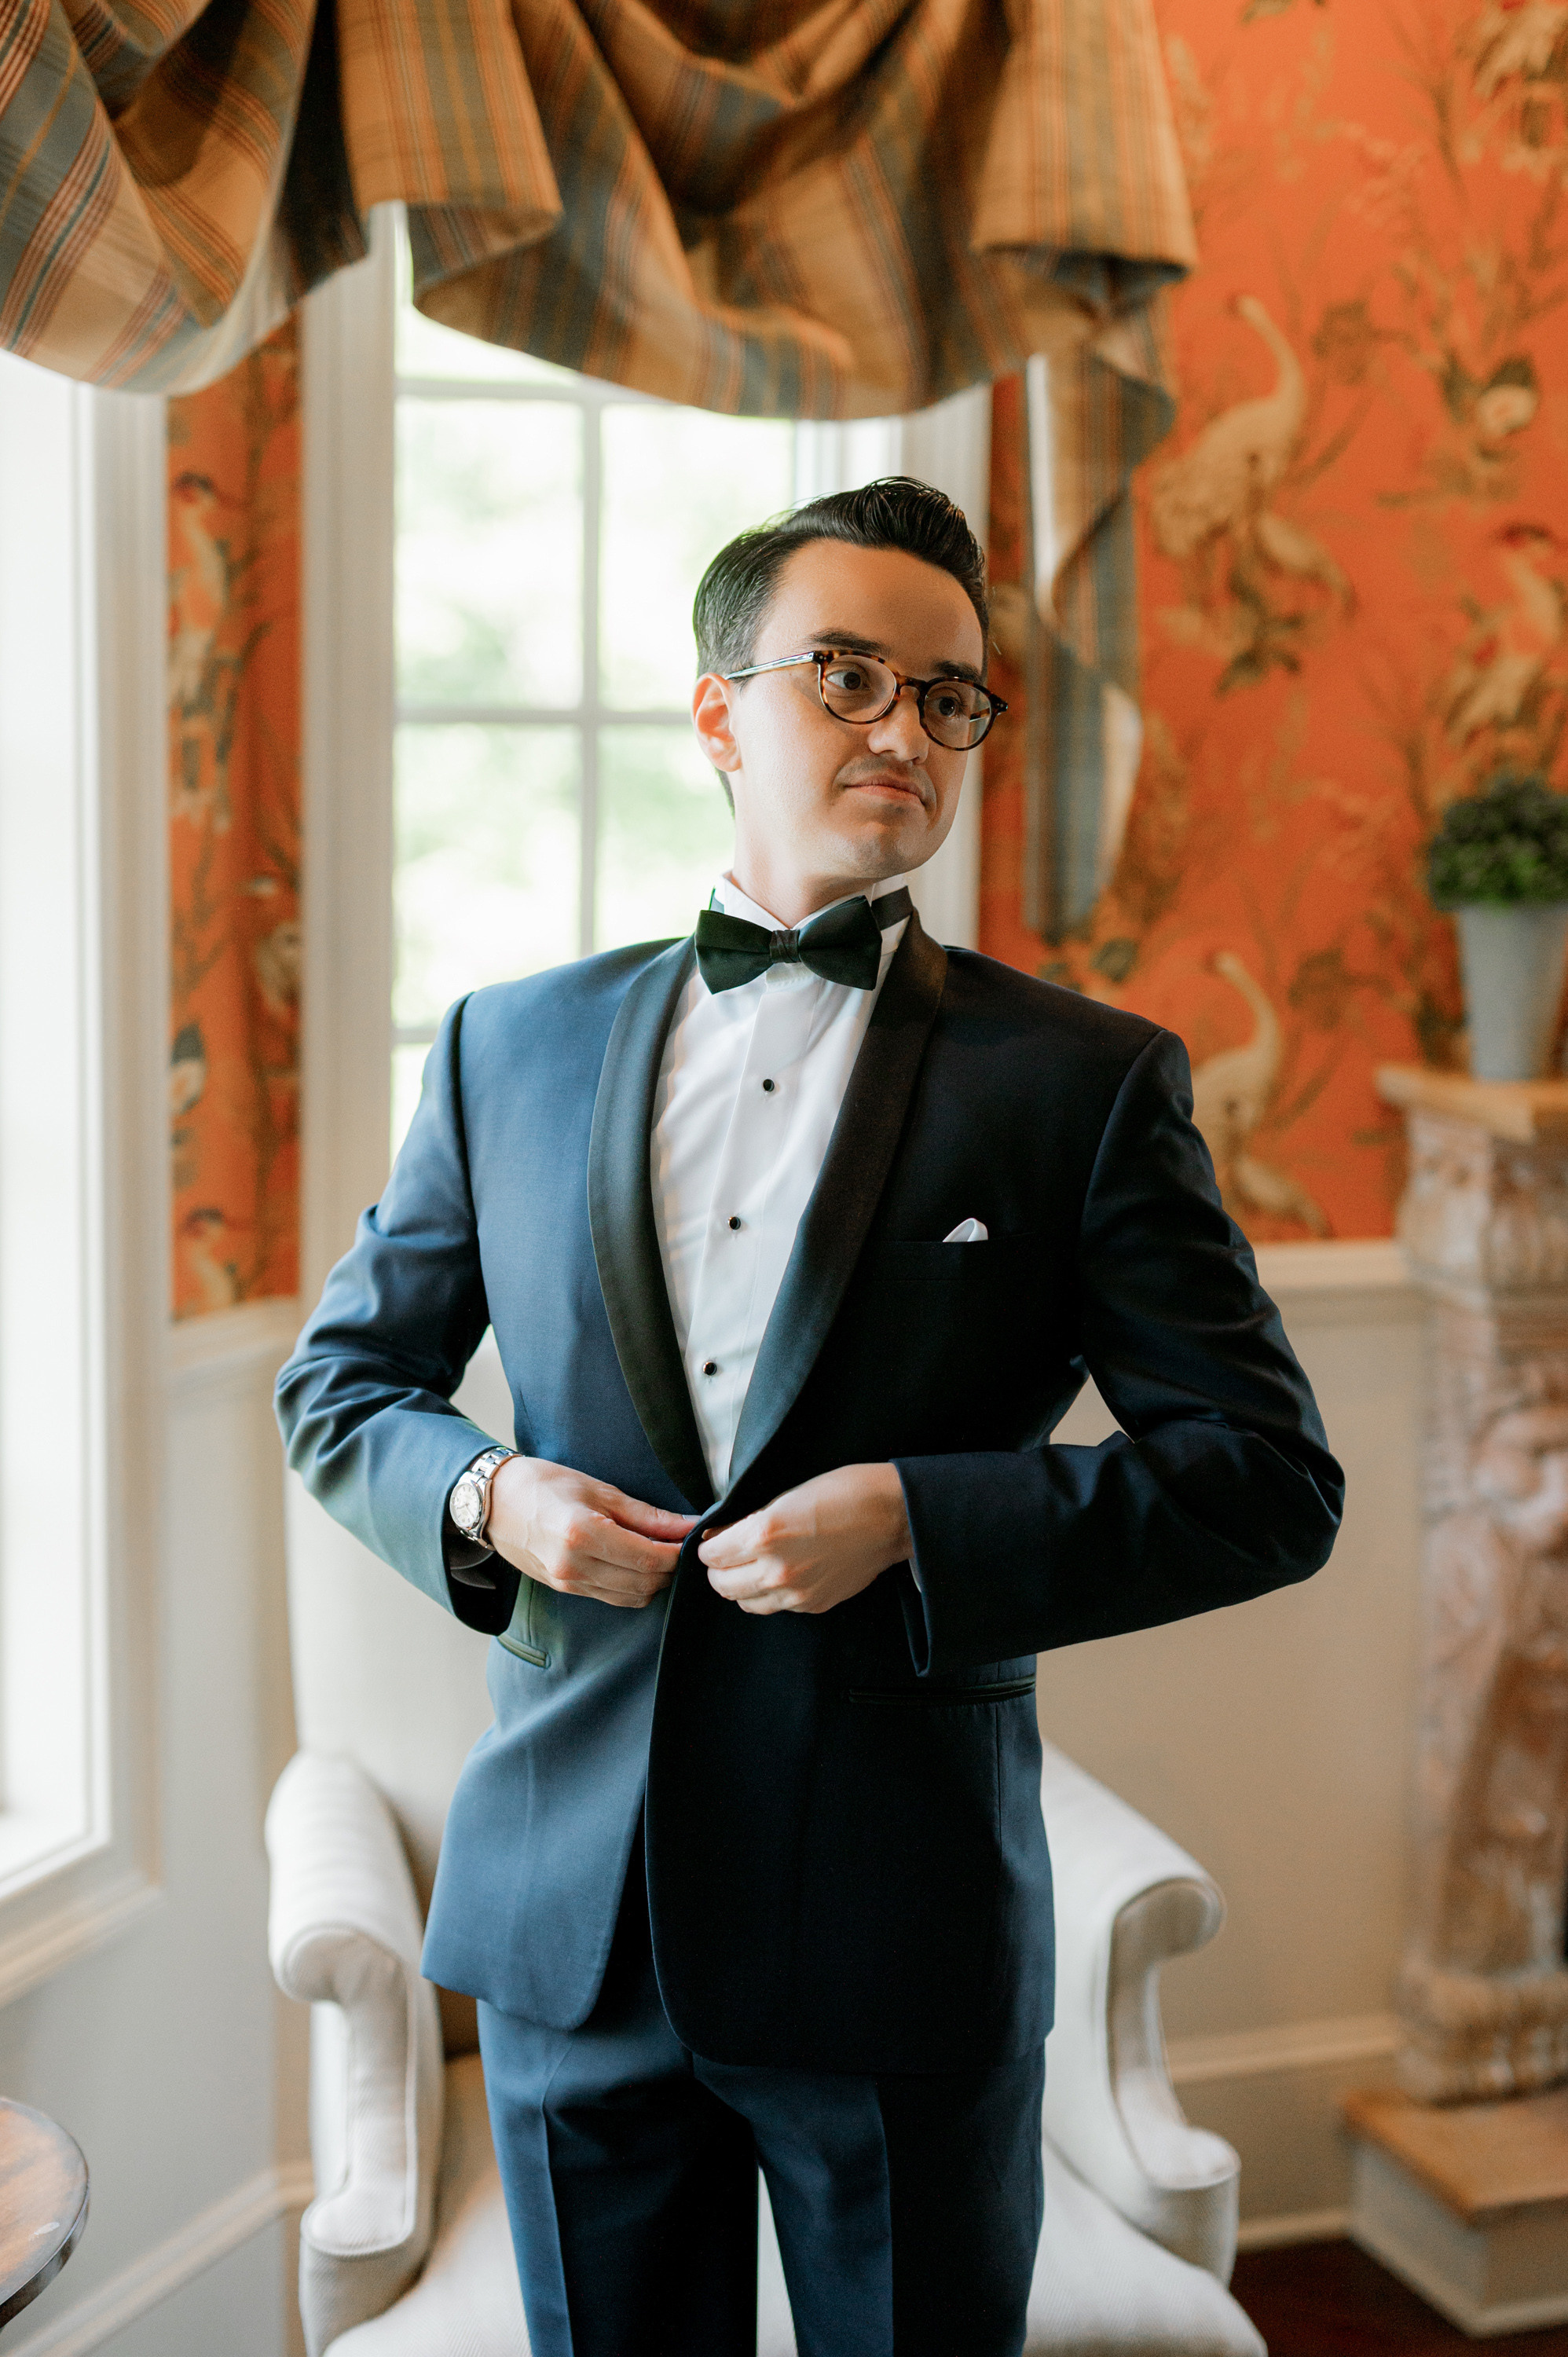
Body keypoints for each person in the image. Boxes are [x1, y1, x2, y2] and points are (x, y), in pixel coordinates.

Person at [276, 477, 1343, 2357]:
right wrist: (490, 1498)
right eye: (843, 673)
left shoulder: (1081, 1088)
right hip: (563, 1939)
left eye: (947, 697)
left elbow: (1266, 1482)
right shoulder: (500, 1045)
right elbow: (341, 1387)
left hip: (894, 1937)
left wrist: (923, 1521)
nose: (900, 728)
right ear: (717, 711)